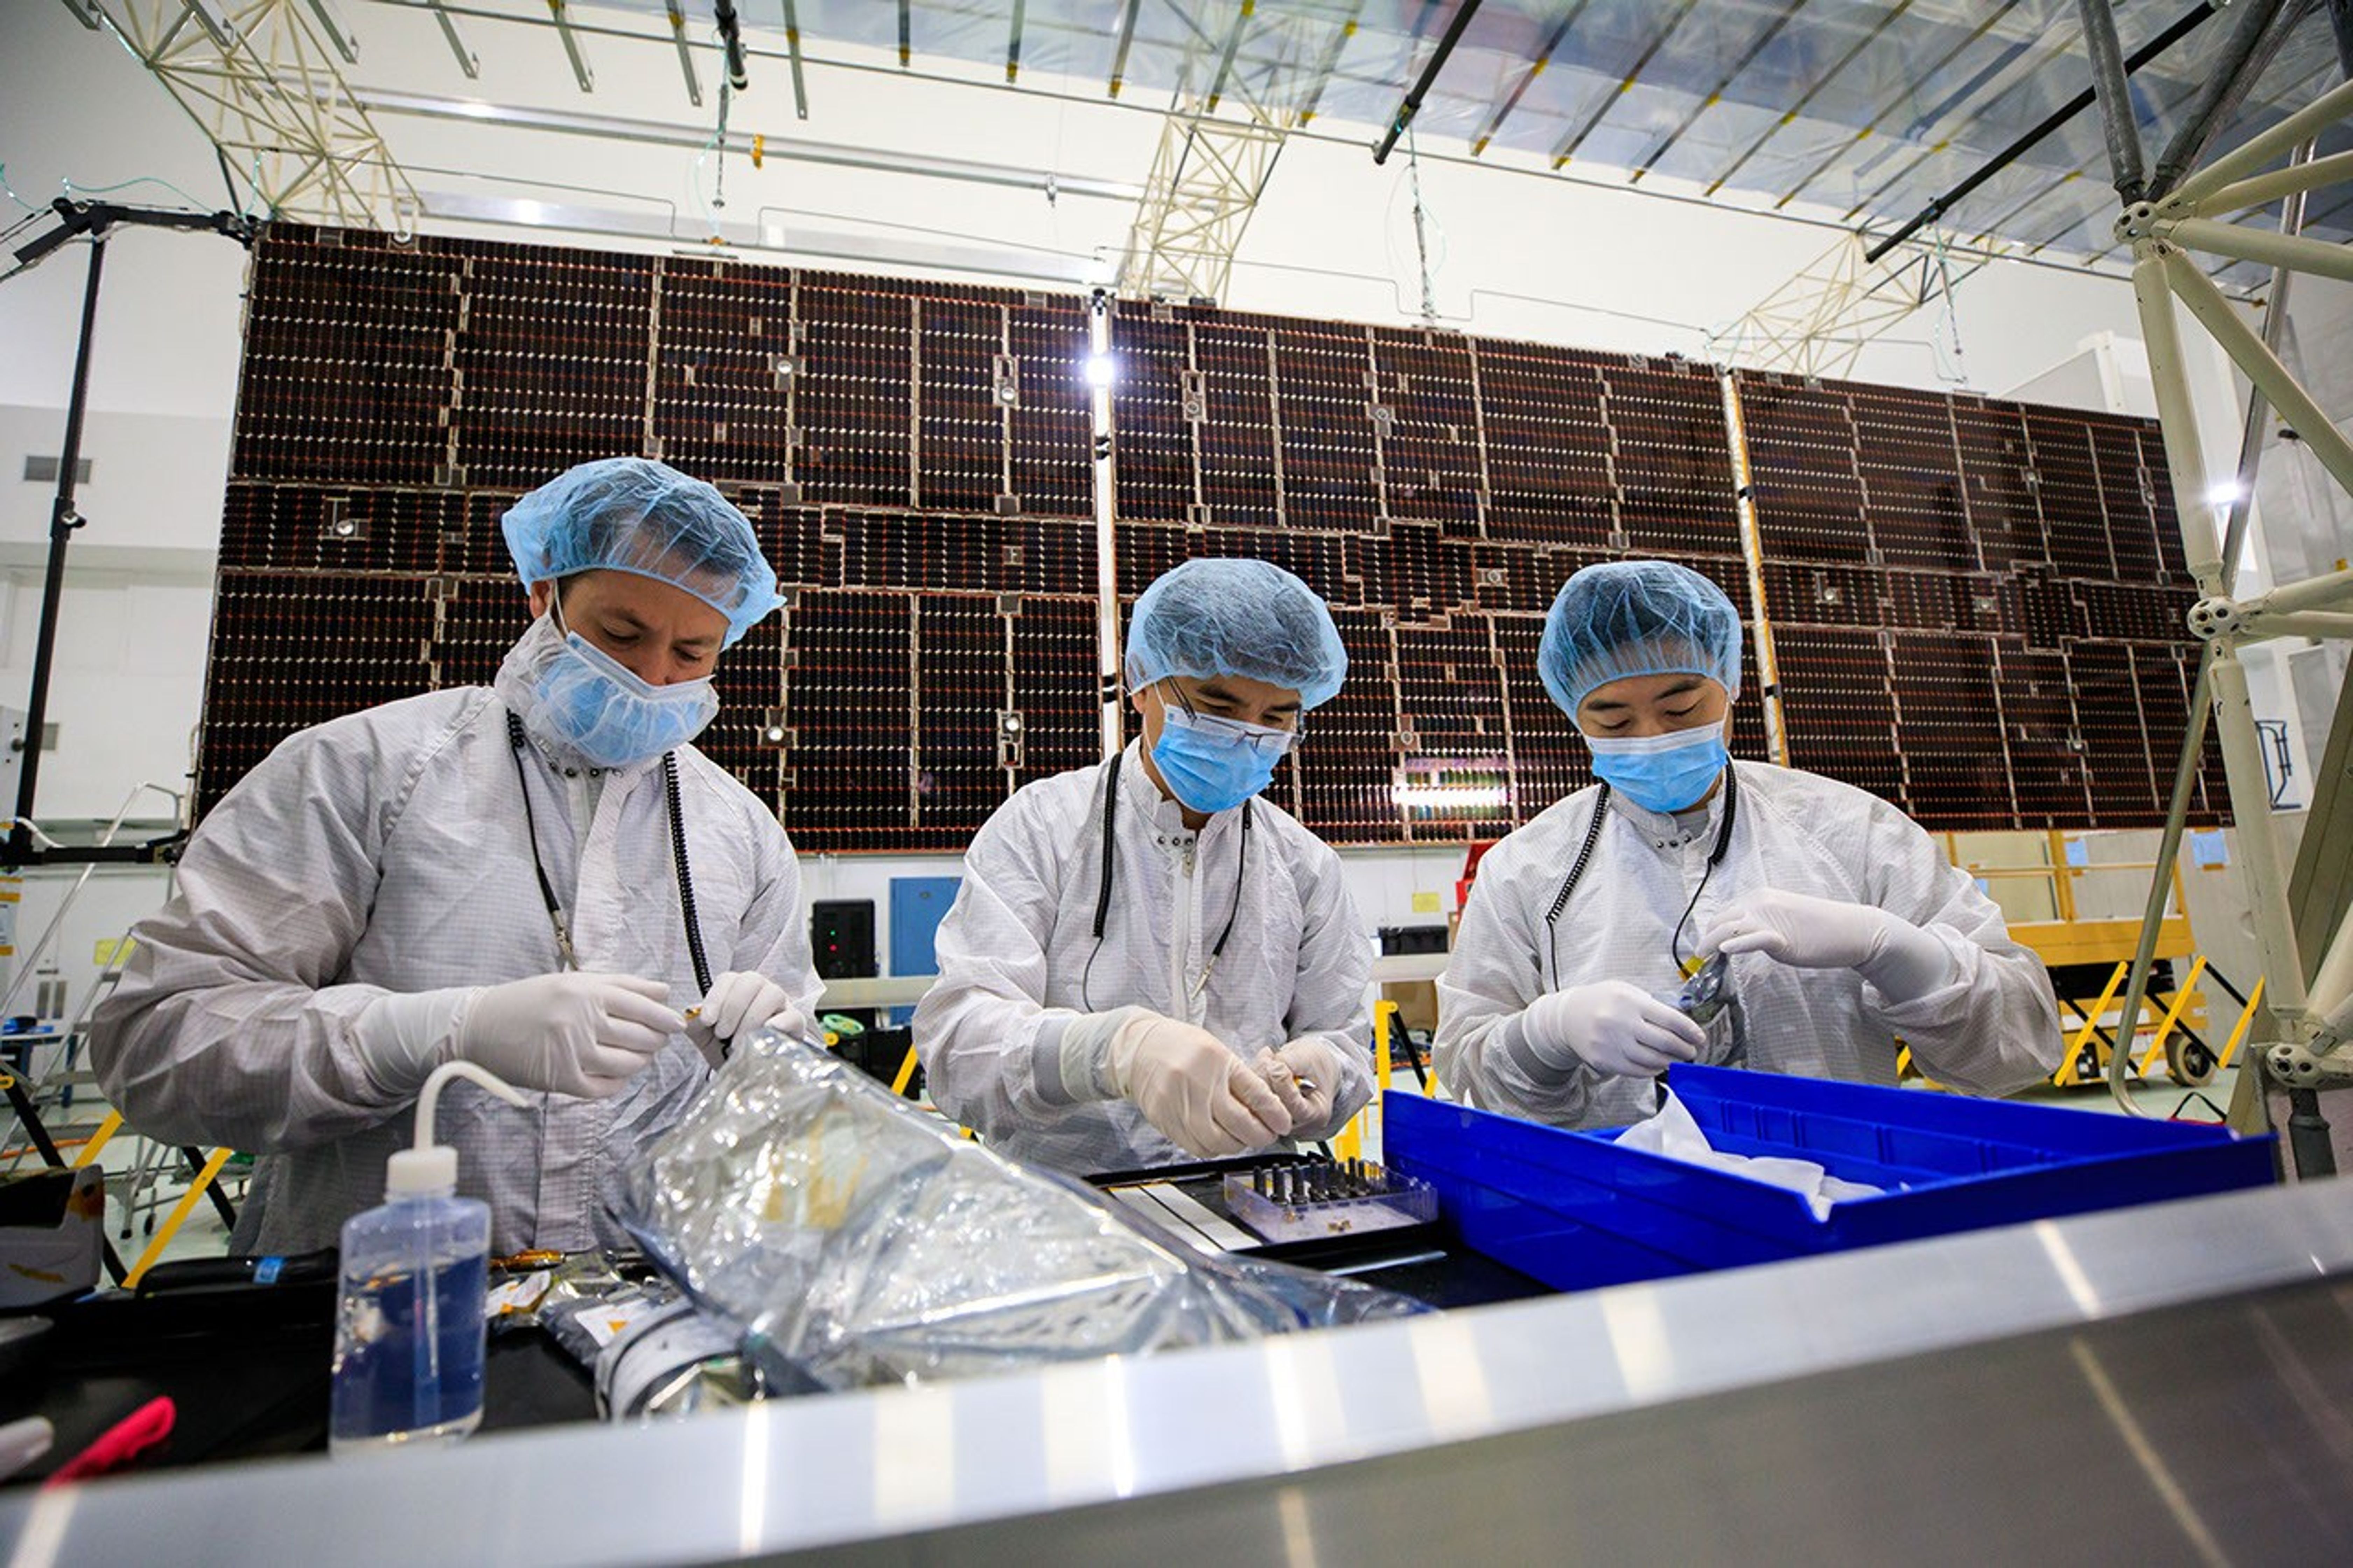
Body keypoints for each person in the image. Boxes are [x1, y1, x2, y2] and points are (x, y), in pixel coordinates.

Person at [92, 457, 824, 1254]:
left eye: (692, 652)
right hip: (372, 1306)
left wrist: (775, 1056)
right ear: (543, 595)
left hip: (643, 1310)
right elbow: (156, 1043)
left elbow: (789, 1106)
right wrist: (423, 1033)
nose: (653, 677)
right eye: (622, 634)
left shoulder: (741, 832)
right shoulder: (364, 771)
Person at [1436, 560, 2061, 1129]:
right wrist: (1546, 1035)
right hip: (1619, 1210)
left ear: (1729, 684)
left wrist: (1899, 954)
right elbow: (1469, 1077)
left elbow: (2018, 1053)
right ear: (1575, 715)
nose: (1651, 737)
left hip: (1834, 1193)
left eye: (1681, 708)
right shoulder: (1527, 870)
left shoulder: (1851, 832)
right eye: (1614, 722)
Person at [915, 557, 1375, 1174]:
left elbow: (1345, 1048)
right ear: (1143, 685)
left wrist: (1323, 1068)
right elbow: (961, 1048)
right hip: (1071, 1201)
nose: (1246, 736)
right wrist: (1111, 1052)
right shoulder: (1044, 828)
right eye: (1218, 706)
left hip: (1251, 1200)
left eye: (1276, 719)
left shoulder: (1305, 866)